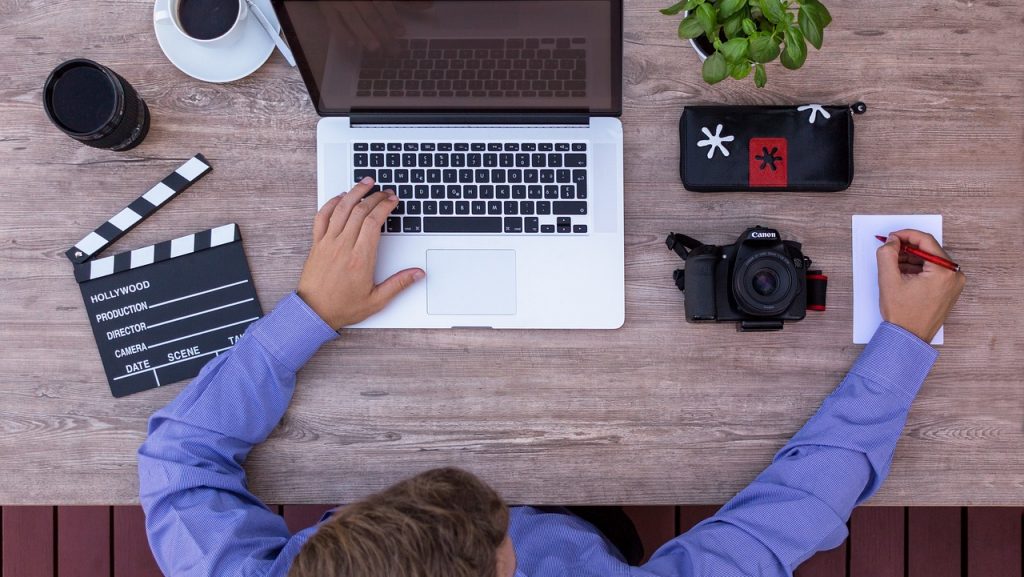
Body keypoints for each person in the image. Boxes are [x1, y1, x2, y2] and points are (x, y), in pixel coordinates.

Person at [138, 178, 966, 577]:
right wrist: (902, 341)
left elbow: (177, 460)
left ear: (338, 528)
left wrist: (311, 311)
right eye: (509, 548)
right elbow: (785, 522)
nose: (517, 536)